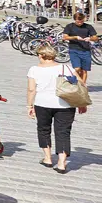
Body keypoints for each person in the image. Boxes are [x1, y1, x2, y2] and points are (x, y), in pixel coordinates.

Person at [28, 45, 87, 174]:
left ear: (42, 55)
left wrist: (29, 106)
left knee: (43, 129)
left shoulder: (34, 70)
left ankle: (48, 158)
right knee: (63, 132)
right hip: (65, 105)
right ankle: (61, 163)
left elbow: (32, 90)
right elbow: (80, 83)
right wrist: (82, 103)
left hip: (42, 104)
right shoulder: (66, 67)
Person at [64, 11, 98, 87]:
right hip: (74, 49)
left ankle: (82, 85)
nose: (80, 23)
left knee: (84, 70)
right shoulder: (70, 26)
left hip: (86, 50)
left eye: (82, 21)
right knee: (77, 68)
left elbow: (95, 37)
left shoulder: (88, 27)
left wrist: (90, 38)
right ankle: (75, 81)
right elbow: (65, 37)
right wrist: (75, 37)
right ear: (75, 20)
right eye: (78, 21)